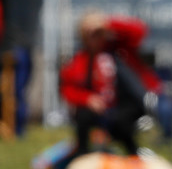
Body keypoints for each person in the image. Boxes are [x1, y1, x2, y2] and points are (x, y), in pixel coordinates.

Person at [59, 12, 152, 161]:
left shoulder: (121, 50)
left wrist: (106, 23)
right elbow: (67, 89)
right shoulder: (79, 61)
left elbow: (140, 31)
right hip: (98, 110)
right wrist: (87, 98)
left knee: (122, 121)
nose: (96, 38)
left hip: (124, 106)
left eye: (98, 33)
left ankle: (134, 155)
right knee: (83, 115)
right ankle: (82, 155)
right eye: (90, 34)